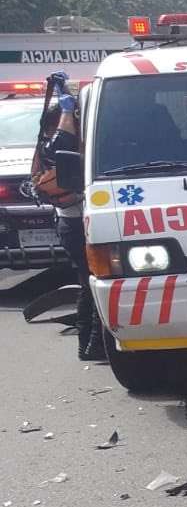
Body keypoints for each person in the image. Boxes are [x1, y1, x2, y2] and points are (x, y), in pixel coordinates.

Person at [29, 73, 103, 360]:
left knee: (89, 284)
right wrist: (66, 107)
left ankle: (90, 345)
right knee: (90, 284)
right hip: (73, 224)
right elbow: (64, 138)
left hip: (75, 222)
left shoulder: (58, 144)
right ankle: (92, 344)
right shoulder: (53, 147)